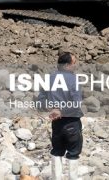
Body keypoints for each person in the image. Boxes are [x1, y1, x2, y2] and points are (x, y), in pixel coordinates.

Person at [38, 52, 83, 180]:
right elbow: (76, 104)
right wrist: (61, 111)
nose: (76, 65)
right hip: (72, 122)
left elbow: (40, 99)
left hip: (56, 123)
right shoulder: (74, 79)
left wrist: (51, 108)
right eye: (74, 63)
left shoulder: (49, 78)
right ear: (67, 65)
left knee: (57, 151)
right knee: (73, 153)